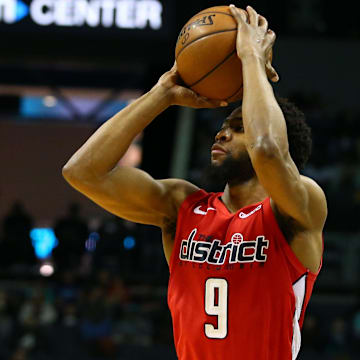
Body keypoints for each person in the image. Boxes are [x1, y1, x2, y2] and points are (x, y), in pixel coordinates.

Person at [62, 5, 327, 360]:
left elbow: (267, 150)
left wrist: (250, 59)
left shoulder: (297, 208)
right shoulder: (182, 206)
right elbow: (81, 172)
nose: (221, 134)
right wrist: (163, 92)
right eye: (222, 127)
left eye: (237, 128)